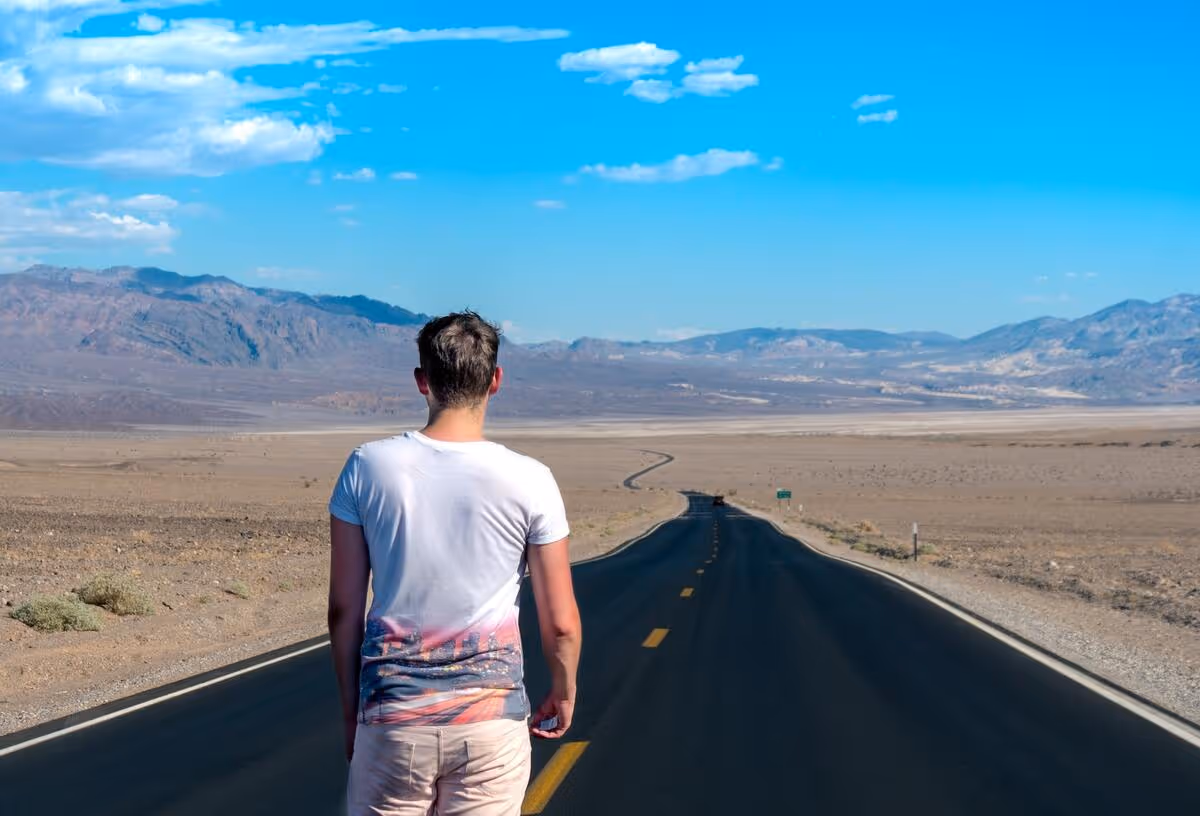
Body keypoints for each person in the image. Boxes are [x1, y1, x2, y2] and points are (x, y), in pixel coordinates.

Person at [327, 311, 582, 816]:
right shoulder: (532, 479)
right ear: (495, 381)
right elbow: (562, 625)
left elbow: (342, 610)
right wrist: (565, 691)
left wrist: (354, 711)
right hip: (491, 725)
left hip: (393, 717)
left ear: (423, 381)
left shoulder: (367, 466)